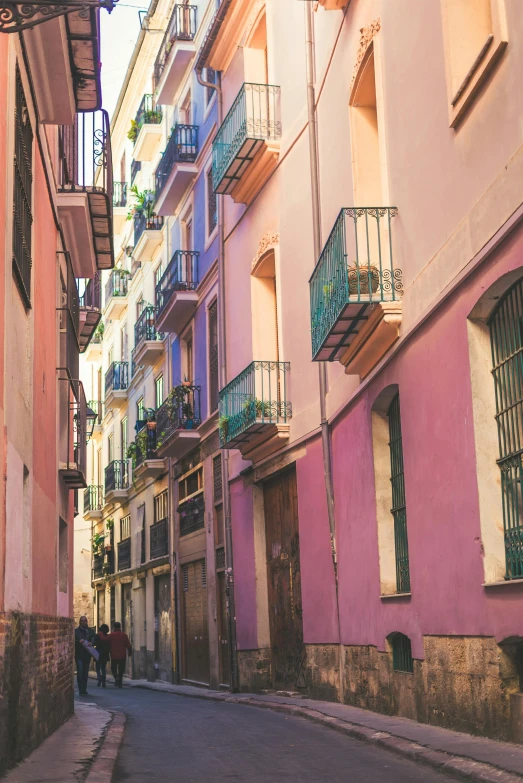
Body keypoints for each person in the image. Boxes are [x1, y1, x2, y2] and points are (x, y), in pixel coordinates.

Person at [74, 616, 94, 696]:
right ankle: (80, 689)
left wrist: (91, 642)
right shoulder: (76, 631)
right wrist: (78, 641)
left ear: (87, 621)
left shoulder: (90, 631)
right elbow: (72, 640)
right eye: (82, 621)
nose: (83, 622)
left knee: (85, 672)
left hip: (87, 655)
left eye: (85, 621)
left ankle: (84, 689)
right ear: (79, 622)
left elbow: (94, 638)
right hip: (79, 654)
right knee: (80, 671)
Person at [109, 622, 132, 688]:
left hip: (113, 655)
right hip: (122, 655)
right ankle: (120, 683)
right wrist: (130, 652)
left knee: (113, 669)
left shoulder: (111, 635)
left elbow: (107, 644)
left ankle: (116, 678)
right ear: (120, 627)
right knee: (121, 670)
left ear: (114, 627)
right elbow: (128, 645)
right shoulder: (124, 635)